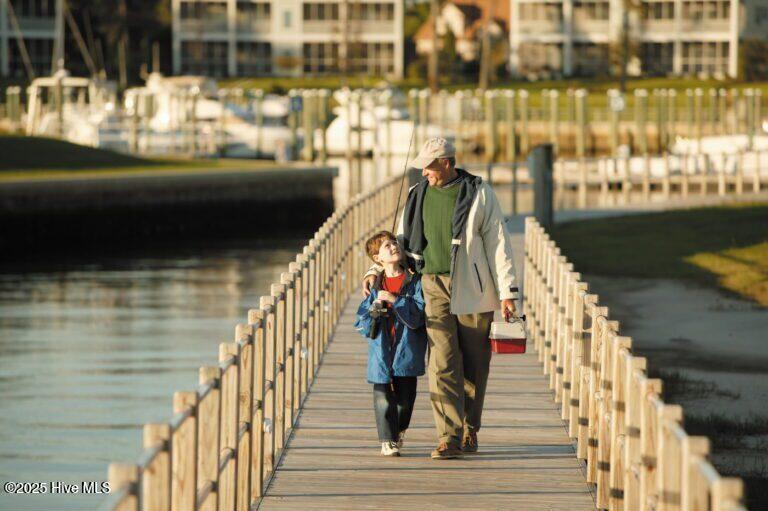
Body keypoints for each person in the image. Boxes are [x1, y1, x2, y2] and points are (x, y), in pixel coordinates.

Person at [363, 137, 518, 459]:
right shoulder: (416, 193)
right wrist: (374, 269)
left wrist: (508, 293)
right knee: (441, 362)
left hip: (474, 288)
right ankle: (449, 437)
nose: (425, 172)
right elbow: (398, 241)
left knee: (474, 365)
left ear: (446, 162)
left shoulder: (480, 192)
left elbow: (498, 243)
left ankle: (469, 429)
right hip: (431, 285)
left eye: (429, 166)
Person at [354, 230, 428, 457]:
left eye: (394, 242)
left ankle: (399, 429)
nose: (394, 246)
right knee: (383, 396)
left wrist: (395, 300)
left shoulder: (414, 281)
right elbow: (361, 323)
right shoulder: (375, 285)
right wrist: (374, 309)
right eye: (387, 246)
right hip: (381, 351)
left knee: (405, 400)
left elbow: (418, 316)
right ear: (378, 259)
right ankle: (387, 439)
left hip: (406, 350)